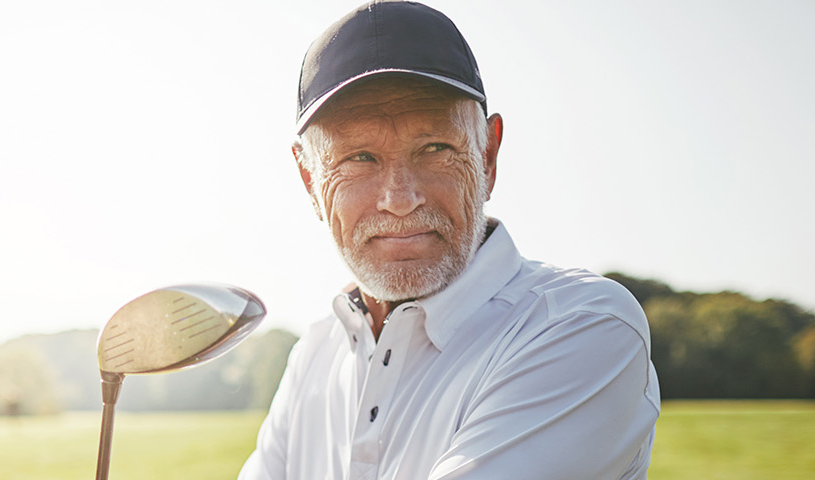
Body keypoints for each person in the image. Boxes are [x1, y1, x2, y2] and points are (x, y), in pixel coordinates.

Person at [237, 2, 658, 479]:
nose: (400, 198)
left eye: (435, 148)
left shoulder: (581, 327)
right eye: (359, 157)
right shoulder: (315, 353)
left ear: (488, 156)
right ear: (310, 179)